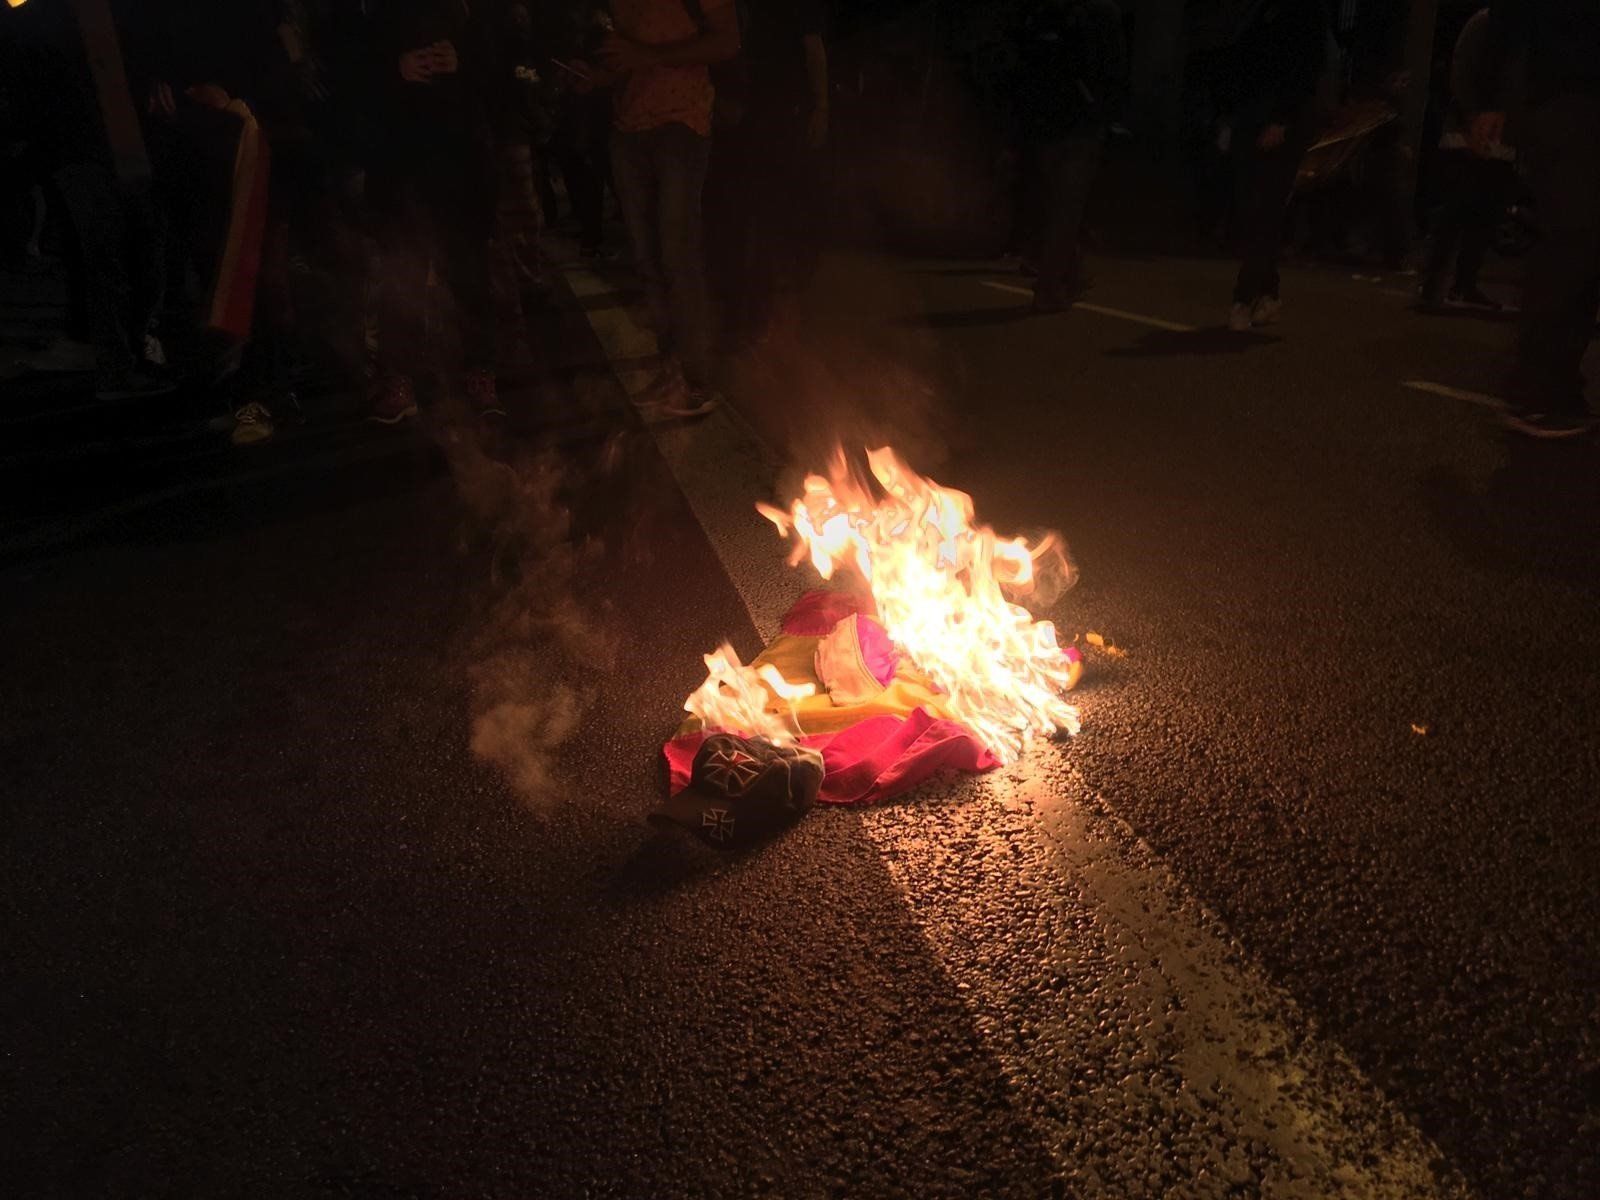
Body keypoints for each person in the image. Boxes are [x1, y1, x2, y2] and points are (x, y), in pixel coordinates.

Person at [577, 0, 740, 419]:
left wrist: (647, 55)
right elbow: (626, 60)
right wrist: (598, 78)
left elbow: (728, 40)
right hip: (628, 129)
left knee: (677, 257)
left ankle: (697, 379)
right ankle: (671, 370)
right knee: (648, 261)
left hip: (681, 126)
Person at [364, 0, 501, 424]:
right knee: (401, 277)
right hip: (400, 164)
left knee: (469, 276)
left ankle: (479, 372)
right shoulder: (377, 12)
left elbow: (504, 65)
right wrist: (394, 67)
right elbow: (348, 64)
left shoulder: (472, 12)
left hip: (462, 162)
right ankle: (400, 378)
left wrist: (465, 61)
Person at [1475, 0, 1600, 438]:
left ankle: (1555, 387)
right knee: (1574, 239)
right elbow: (1506, 19)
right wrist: (1489, 100)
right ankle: (1536, 390)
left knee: (1583, 246)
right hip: (1570, 96)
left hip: (1572, 93)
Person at [706, 0, 830, 345]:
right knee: (737, 217)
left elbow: (812, 46)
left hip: (776, 116)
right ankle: (739, 312)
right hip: (740, 116)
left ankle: (757, 314)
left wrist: (820, 105)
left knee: (763, 217)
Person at [1010, 0, 1126, 314]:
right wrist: (1107, 115)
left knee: (1056, 206)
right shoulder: (1101, 14)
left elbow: (1025, 68)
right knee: (1067, 210)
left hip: (1046, 125)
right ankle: (1049, 287)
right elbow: (1114, 71)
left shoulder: (1045, 15)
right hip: (1080, 127)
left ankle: (1065, 273)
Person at [1224, 0, 1330, 332]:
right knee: (1253, 209)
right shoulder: (1260, 12)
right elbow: (1242, 65)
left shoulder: (1306, 12)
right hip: (1252, 118)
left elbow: (1306, 69)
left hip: (1283, 122)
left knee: (1265, 209)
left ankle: (1244, 297)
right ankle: (1268, 292)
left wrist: (1283, 118)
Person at [1418, 8, 1517, 314]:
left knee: (1481, 215)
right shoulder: (1488, 24)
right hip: (1470, 134)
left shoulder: (1504, 27)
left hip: (1494, 137)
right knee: (1458, 212)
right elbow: (1462, 72)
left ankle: (1458, 284)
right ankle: (1437, 285)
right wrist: (1471, 115)